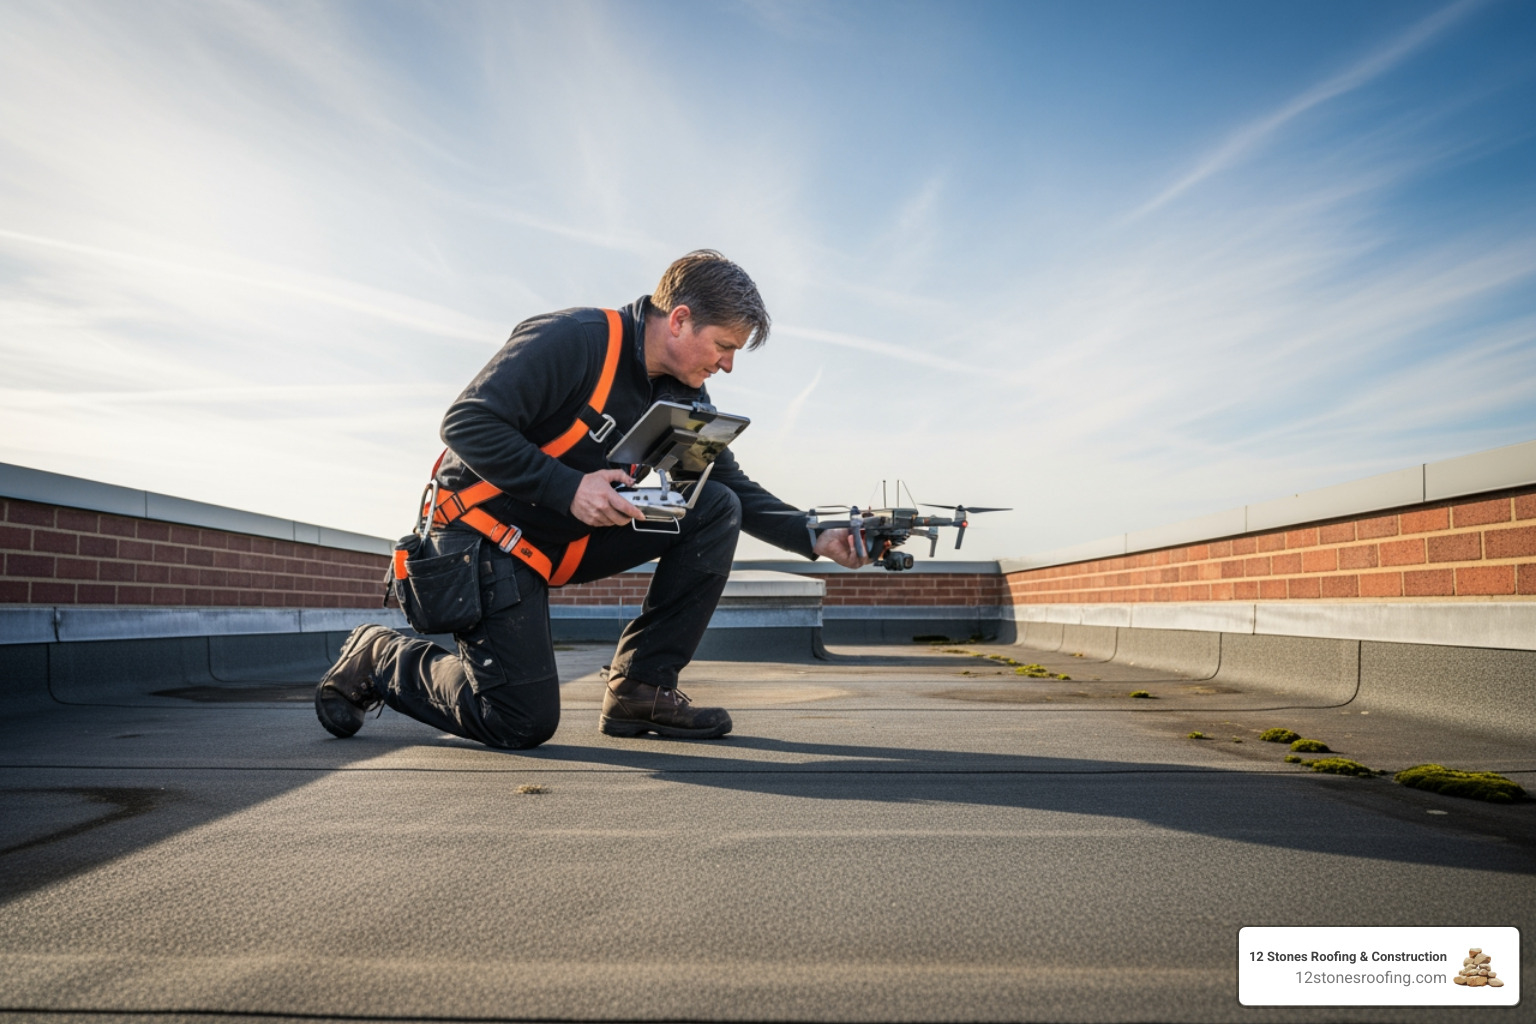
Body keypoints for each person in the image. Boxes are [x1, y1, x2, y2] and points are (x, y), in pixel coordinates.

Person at [314, 250, 865, 749]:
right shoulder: (575, 340)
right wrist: (569, 488)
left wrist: (814, 536)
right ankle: (380, 656)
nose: (726, 364)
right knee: (519, 721)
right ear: (679, 320)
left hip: (564, 538)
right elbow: (465, 422)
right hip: (483, 537)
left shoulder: (682, 389)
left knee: (716, 504)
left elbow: (728, 480)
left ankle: (641, 688)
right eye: (723, 346)